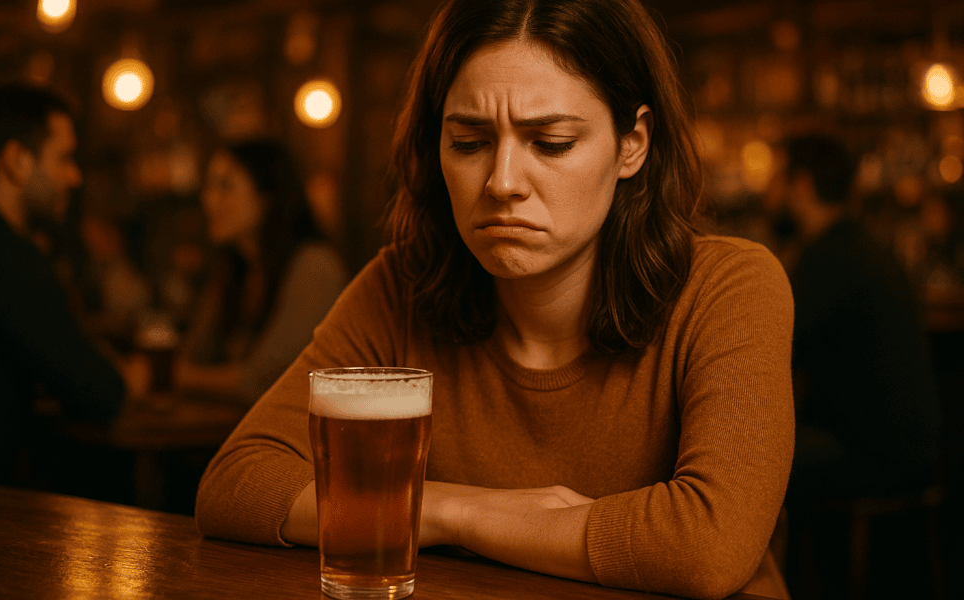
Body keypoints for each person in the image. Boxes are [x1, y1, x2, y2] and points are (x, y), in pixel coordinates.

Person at [196, 1, 795, 598]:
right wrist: (468, 512)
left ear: (632, 144)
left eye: (552, 142)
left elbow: (707, 547)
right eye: (470, 142)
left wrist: (404, 511)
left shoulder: (729, 287)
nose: (502, 181)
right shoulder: (403, 285)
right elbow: (237, 485)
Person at [778, 136, 941, 595]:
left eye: (779, 179)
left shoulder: (828, 257)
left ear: (802, 184)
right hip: (915, 452)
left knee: (760, 464)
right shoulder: (862, 244)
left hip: (879, 458)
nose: (773, 192)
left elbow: (771, 348)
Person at [0, 83, 129, 486]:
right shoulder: (4, 257)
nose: (74, 177)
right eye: (64, 159)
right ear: (17, 161)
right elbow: (98, 391)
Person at [173, 139, 348, 404]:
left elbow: (266, 380)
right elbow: (194, 353)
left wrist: (176, 377)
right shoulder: (237, 269)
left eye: (225, 186)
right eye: (209, 186)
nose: (209, 200)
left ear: (267, 196)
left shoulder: (314, 266)